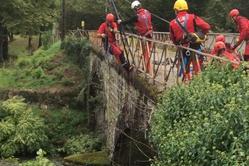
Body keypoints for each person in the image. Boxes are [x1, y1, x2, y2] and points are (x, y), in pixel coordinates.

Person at [169, 0, 211, 81]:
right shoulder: (192, 17)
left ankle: (186, 81)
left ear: (176, 10)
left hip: (183, 49)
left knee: (185, 66)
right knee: (197, 64)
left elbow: (173, 40)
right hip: (195, 46)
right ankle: (197, 80)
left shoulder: (172, 23)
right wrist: (201, 34)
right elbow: (207, 27)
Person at [118, 0, 153, 73]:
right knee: (147, 52)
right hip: (150, 34)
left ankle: (148, 70)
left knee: (145, 53)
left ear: (135, 8)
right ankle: (146, 67)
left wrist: (121, 22)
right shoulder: (147, 12)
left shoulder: (137, 16)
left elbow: (128, 21)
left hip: (143, 36)